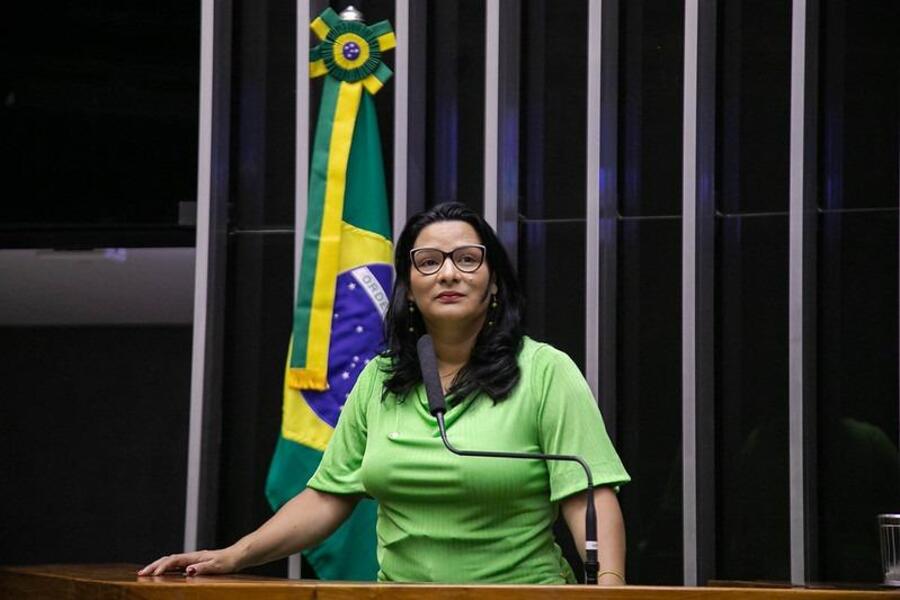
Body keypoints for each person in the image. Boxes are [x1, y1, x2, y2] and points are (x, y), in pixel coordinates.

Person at [140, 202, 630, 585]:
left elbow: (589, 495)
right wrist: (234, 555)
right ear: (410, 289)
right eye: (428, 262)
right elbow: (326, 498)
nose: (448, 273)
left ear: (494, 283)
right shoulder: (379, 379)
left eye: (467, 259)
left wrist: (609, 587)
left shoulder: (545, 371)